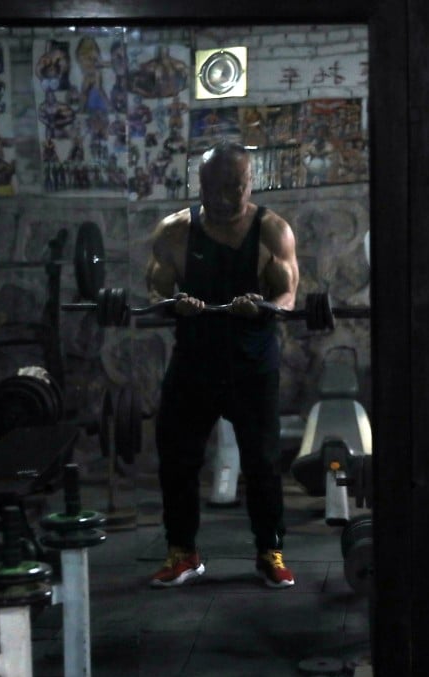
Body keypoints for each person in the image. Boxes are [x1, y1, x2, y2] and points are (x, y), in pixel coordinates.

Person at [145, 142, 300, 588]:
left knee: (263, 463)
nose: (226, 197)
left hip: (251, 363)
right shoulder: (175, 231)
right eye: (215, 186)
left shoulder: (273, 231)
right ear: (201, 185)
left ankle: (270, 552)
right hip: (194, 362)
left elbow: (288, 297)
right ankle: (182, 553)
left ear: (250, 183)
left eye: (236, 186)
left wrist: (266, 306)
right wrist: (176, 303)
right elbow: (155, 292)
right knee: (177, 459)